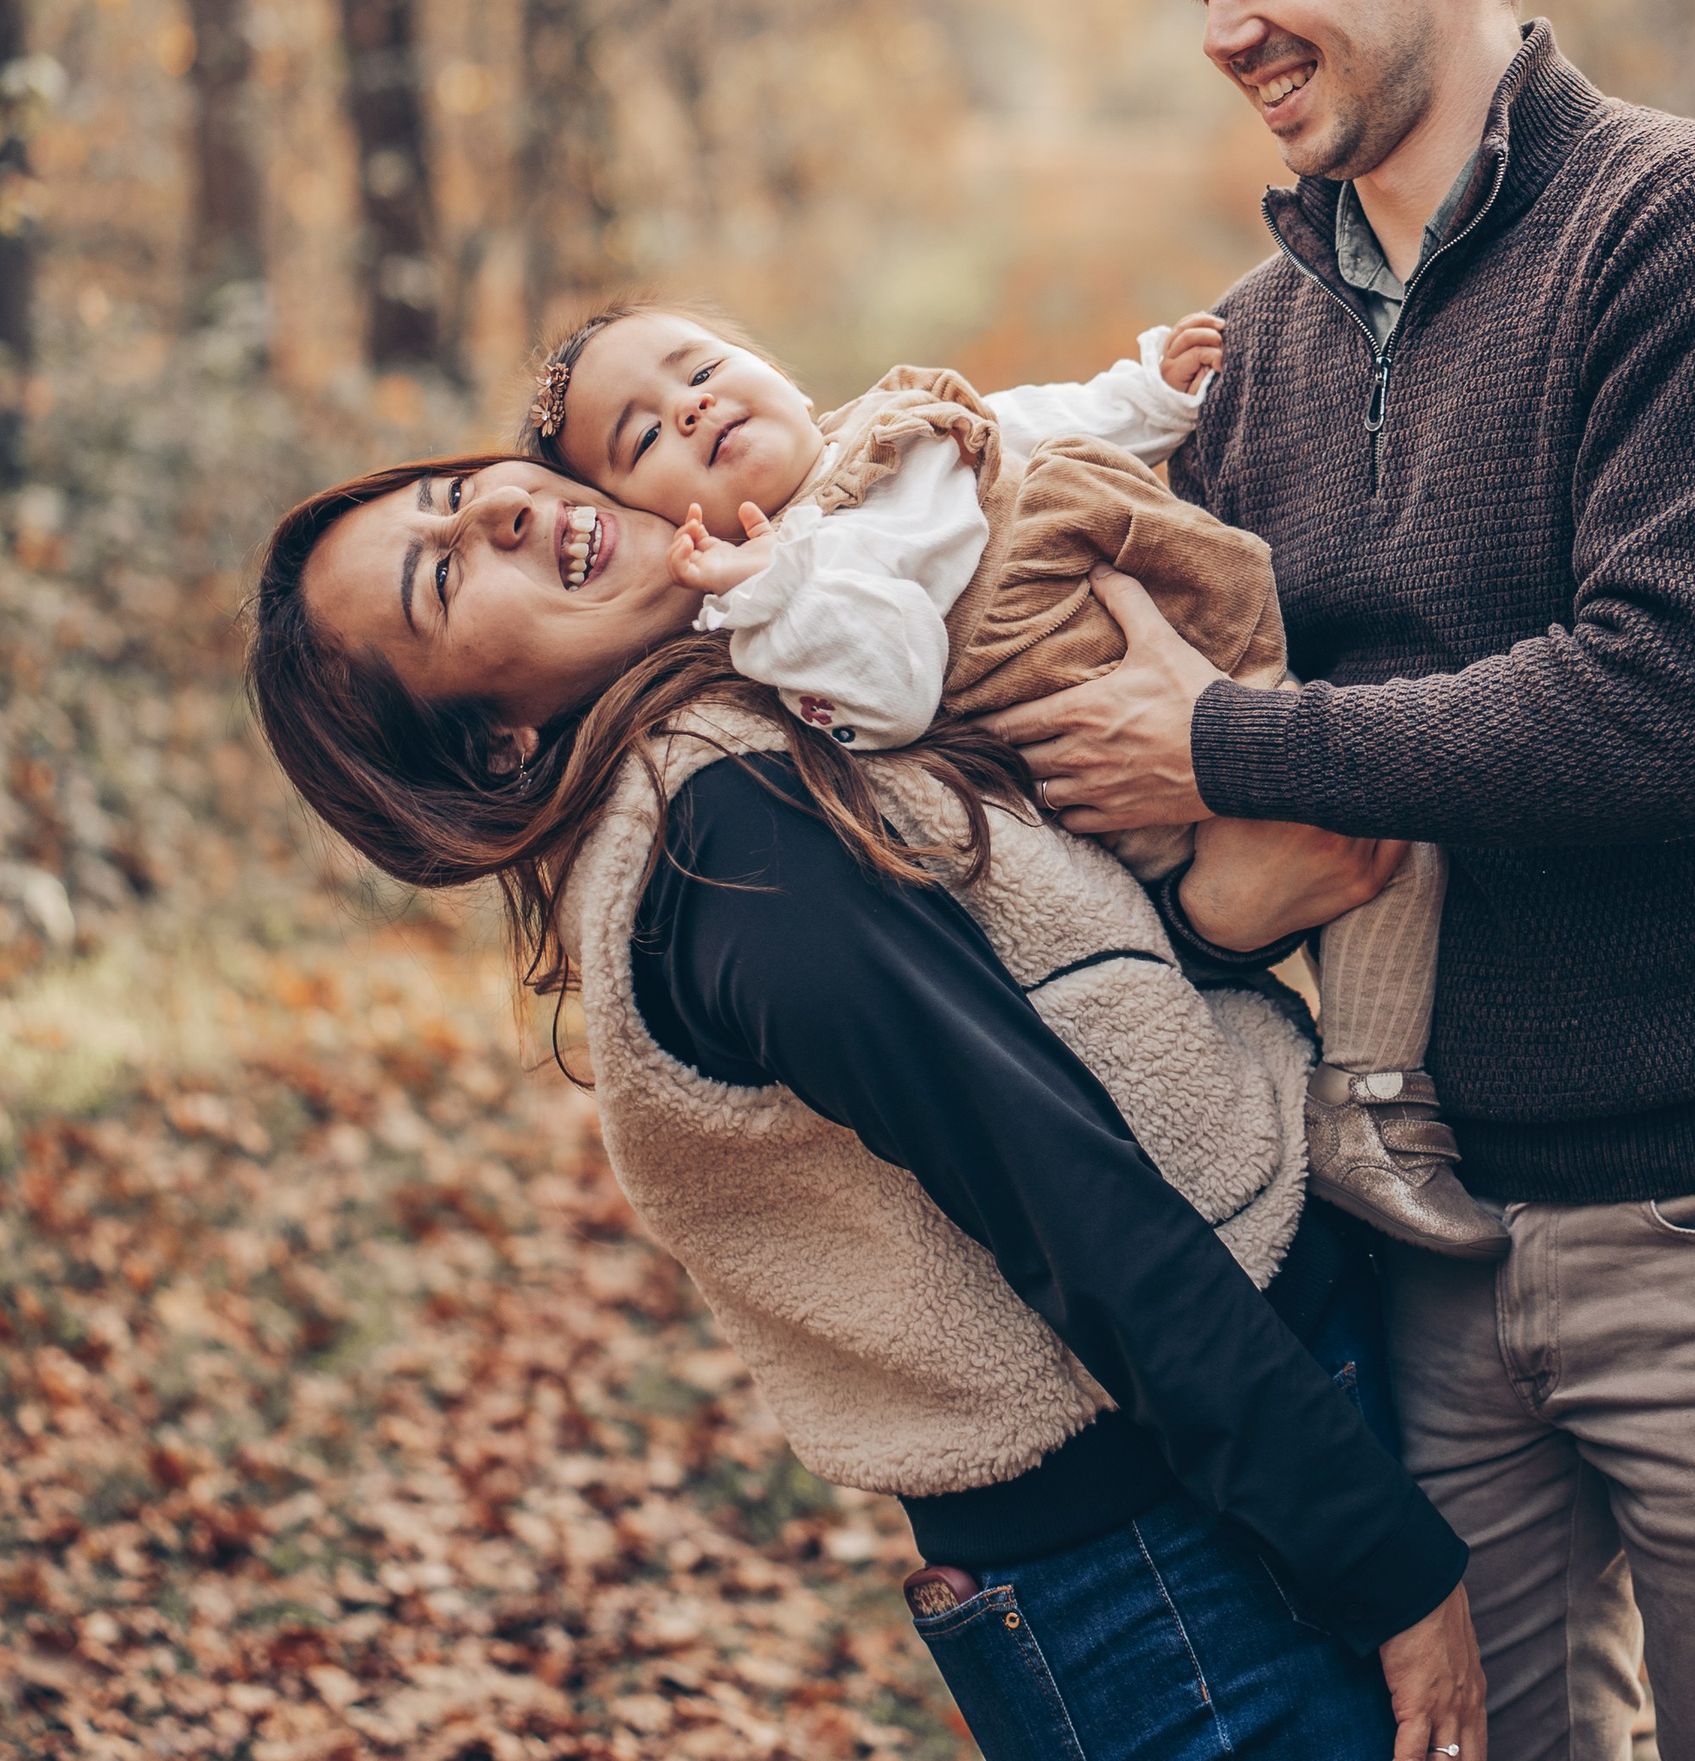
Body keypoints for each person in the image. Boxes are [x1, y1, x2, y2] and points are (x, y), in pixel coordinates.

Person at [986, 0, 1695, 1761]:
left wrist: (1230, 746)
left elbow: (1672, 709)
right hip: (1419, 1228)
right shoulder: (1247, 348)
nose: (1223, 27)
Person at [244, 450, 1488, 1760]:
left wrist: (1213, 922)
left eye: (454, 492)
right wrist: (1388, 1572)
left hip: (1214, 1489)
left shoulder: (777, 720)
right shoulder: (720, 831)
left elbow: (1057, 1025)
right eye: (443, 574)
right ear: (492, 742)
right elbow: (1072, 1208)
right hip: (1185, 1562)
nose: (492, 510)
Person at [511, 295, 1502, 1258]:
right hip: (1106, 754)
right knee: (1387, 844)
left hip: (1201, 681)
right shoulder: (795, 589)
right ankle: (1367, 1105)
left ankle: (1397, 1081)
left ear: (781, 375)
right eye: (642, 439)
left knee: (1392, 828)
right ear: (657, 525)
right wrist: (772, 594)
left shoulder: (899, 420)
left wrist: (1148, 396)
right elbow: (890, 687)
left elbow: (1038, 420)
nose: (689, 405)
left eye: (699, 368)